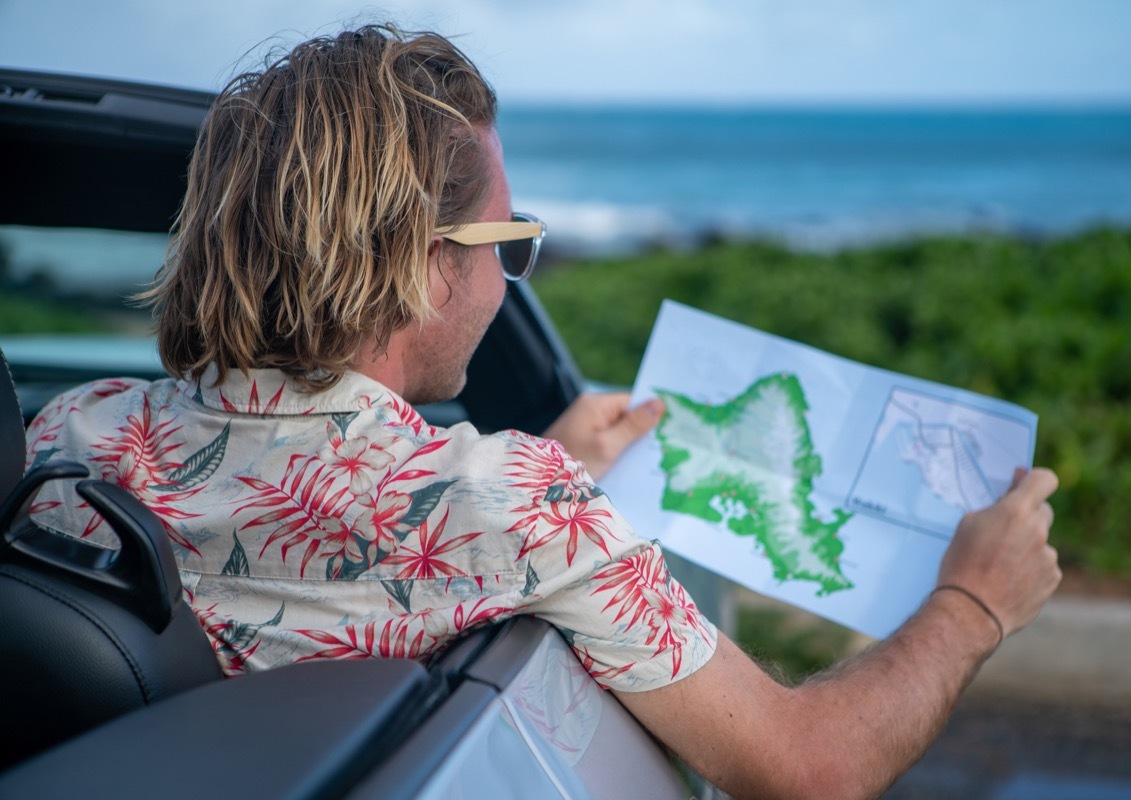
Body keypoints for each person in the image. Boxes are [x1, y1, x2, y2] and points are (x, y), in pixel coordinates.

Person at [24, 24, 1060, 799]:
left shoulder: (69, 433)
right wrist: (972, 603)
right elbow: (809, 765)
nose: (506, 279)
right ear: (424, 265)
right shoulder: (510, 505)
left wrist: (548, 464)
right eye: (503, 245)